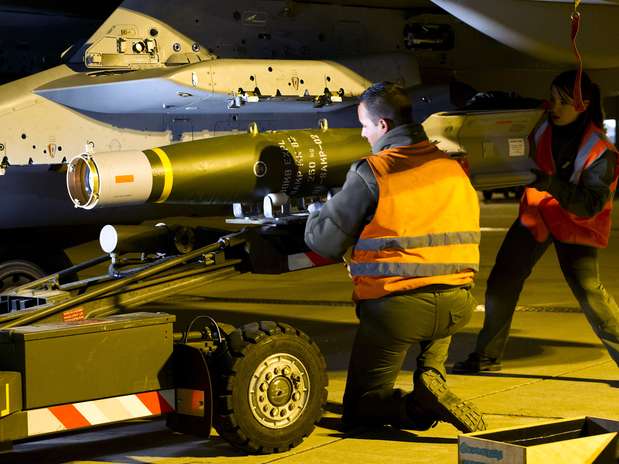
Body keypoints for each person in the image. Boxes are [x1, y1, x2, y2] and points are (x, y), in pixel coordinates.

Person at [304, 82, 486, 432]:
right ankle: (431, 378)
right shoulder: (452, 168)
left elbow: (324, 242)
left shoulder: (374, 170)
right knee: (437, 314)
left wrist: (316, 212)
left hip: (398, 309)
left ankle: (418, 406)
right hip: (456, 305)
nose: (363, 133)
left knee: (359, 413)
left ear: (383, 126)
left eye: (365, 125)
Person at [454, 70, 619, 373]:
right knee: (502, 282)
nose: (553, 106)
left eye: (562, 101)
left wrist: (550, 183)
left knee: (591, 295)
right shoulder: (541, 120)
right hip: (537, 216)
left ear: (582, 105)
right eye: (552, 98)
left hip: (576, 224)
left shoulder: (601, 152)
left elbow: (590, 204)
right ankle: (487, 356)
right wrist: (481, 100)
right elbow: (513, 104)